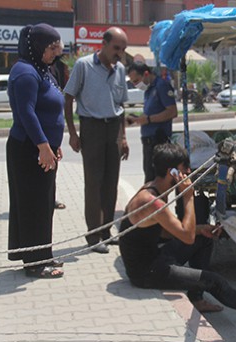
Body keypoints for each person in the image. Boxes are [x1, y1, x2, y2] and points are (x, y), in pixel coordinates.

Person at [118, 143, 236, 322]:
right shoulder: (152, 202)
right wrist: (189, 196)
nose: (188, 172)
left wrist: (199, 229)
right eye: (184, 169)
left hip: (155, 256)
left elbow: (165, 232)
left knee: (204, 238)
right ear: (171, 172)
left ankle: (196, 298)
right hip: (146, 272)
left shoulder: (156, 189)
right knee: (214, 282)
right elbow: (187, 238)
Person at [5, 23, 65, 279]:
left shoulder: (44, 70)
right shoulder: (25, 73)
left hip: (43, 148)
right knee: (32, 205)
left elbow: (50, 110)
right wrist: (43, 145)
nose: (55, 53)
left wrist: (54, 144)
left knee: (43, 204)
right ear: (37, 46)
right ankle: (34, 263)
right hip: (29, 149)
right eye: (51, 48)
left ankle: (42, 254)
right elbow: (26, 113)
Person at [63, 27, 130, 254]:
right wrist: (72, 132)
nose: (119, 53)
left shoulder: (120, 69)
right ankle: (93, 236)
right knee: (94, 183)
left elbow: (121, 107)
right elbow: (68, 97)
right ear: (104, 43)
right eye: (116, 48)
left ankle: (106, 232)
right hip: (91, 127)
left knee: (111, 183)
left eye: (123, 49)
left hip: (113, 129)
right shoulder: (84, 65)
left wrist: (123, 138)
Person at [126, 62, 178, 182]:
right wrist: (137, 119)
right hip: (148, 142)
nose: (135, 85)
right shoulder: (149, 90)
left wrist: (149, 119)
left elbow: (172, 111)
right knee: (150, 179)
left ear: (146, 74)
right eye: (133, 82)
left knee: (156, 182)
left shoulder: (161, 86)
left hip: (158, 141)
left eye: (136, 81)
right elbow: (151, 112)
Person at [49, 57, 70, 211]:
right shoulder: (31, 71)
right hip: (38, 136)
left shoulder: (54, 69)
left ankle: (50, 197)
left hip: (52, 136)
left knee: (52, 170)